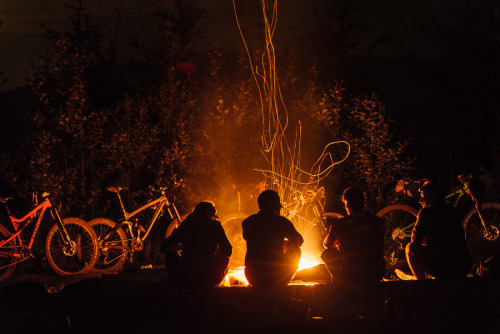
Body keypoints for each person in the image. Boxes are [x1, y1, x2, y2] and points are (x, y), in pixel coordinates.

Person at [405, 180, 472, 279]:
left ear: (434, 196)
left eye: (423, 195)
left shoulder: (426, 213)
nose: (420, 200)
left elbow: (415, 242)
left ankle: (422, 284)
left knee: (410, 248)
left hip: (441, 268)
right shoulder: (452, 210)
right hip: (463, 267)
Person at [321, 187, 385, 285]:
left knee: (328, 253)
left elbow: (327, 244)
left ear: (347, 205)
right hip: (376, 272)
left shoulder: (340, 224)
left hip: (350, 274)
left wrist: (335, 241)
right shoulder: (377, 222)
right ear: (364, 203)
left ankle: (338, 284)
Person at [242, 190, 304, 287]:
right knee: (296, 249)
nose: (280, 206)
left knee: (252, 246)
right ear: (271, 204)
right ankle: (283, 276)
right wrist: (286, 243)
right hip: (277, 278)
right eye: (278, 202)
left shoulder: (248, 222)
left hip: (253, 277)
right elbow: (299, 241)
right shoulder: (281, 222)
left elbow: (250, 238)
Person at [163, 202, 232, 288]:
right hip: (209, 279)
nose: (214, 218)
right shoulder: (215, 225)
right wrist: (216, 250)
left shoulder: (186, 225)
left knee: (170, 254)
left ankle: (177, 281)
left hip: (184, 278)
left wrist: (185, 246)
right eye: (214, 216)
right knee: (225, 257)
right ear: (208, 213)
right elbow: (228, 251)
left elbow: (164, 246)